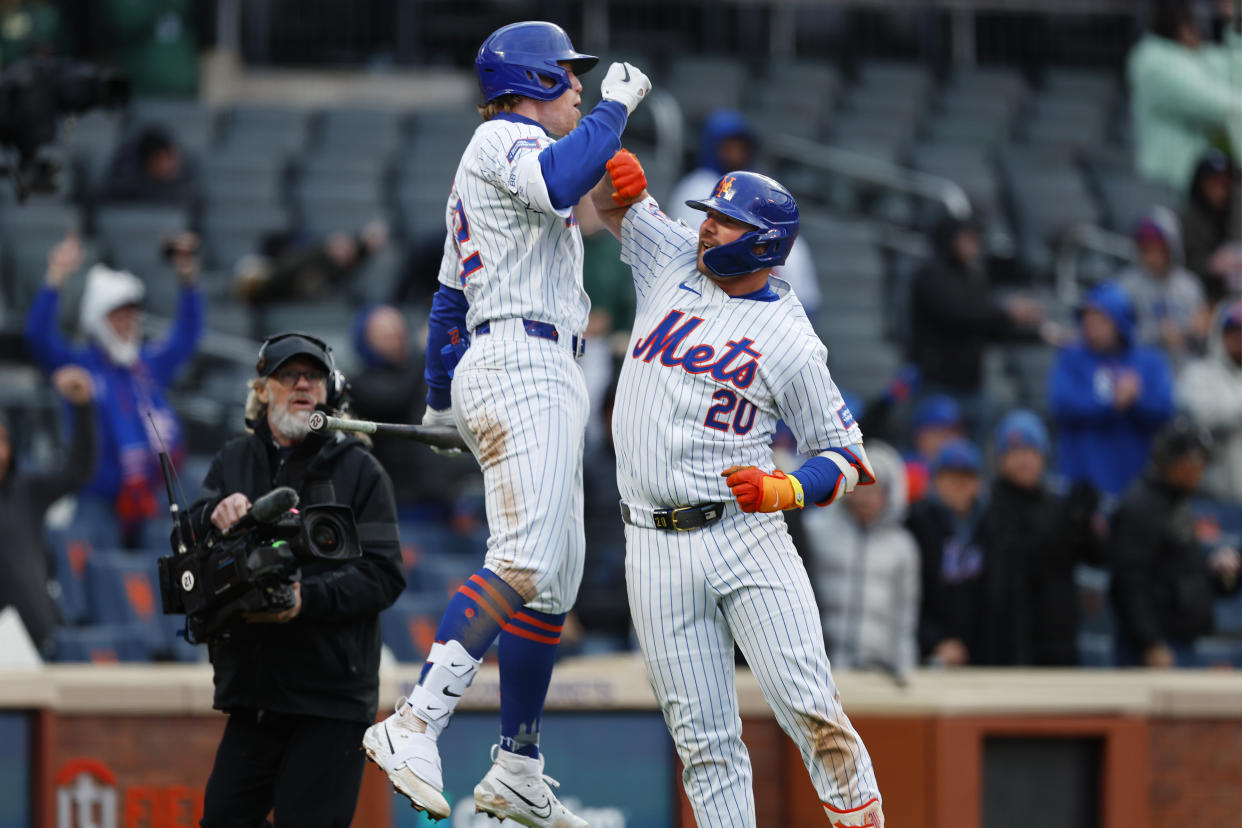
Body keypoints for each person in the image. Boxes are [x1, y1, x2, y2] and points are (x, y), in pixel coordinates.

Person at [361, 21, 651, 826]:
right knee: (524, 558)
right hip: (522, 359)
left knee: (551, 582)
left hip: (531, 361)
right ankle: (415, 722)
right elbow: (564, 182)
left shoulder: (499, 162)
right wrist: (619, 108)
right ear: (527, 82)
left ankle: (518, 761)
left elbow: (449, 296)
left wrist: (437, 391)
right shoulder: (501, 140)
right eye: (566, 76)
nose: (581, 87)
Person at [588, 156, 885, 826]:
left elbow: (847, 457)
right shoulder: (672, 258)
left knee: (812, 711)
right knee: (703, 745)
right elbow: (610, 207)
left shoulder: (791, 340)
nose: (708, 229)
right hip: (651, 540)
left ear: (765, 242)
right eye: (711, 216)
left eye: (726, 222)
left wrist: (787, 489)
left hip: (743, 536)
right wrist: (618, 182)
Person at [189, 332, 404, 827]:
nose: (303, 384)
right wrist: (214, 515)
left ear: (331, 390)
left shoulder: (361, 470)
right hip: (254, 693)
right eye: (289, 375)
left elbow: (385, 575)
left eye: (314, 376)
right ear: (263, 389)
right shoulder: (232, 461)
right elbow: (189, 533)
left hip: (328, 700)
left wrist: (306, 599)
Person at [24, 233, 203, 548]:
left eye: (132, 314)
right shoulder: (79, 363)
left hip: (150, 497)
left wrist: (187, 279)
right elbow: (37, 335)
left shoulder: (146, 365)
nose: (127, 322)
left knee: (185, 539)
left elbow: (186, 336)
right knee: (83, 551)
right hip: (99, 500)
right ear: (98, 319)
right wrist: (57, 275)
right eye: (118, 314)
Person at [968, 411, 1106, 666]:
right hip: (1007, 646)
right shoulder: (988, 510)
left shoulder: (1058, 507)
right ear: (1000, 459)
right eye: (1015, 452)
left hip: (1058, 642)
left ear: (1043, 457)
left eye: (1031, 451)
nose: (1025, 460)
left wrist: (1085, 521)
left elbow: (1097, 557)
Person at [1110, 420, 1241, 667]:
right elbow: (1128, 584)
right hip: (1155, 648)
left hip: (1179, 639)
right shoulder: (1141, 506)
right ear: (1175, 461)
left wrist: (1213, 569)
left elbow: (1175, 571)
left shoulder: (1175, 502)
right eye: (1196, 461)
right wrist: (1150, 643)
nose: (1201, 470)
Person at [667, 108, 822, 317]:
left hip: (764, 297)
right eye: (729, 146)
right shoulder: (696, 186)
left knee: (797, 249)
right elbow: (696, 245)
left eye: (742, 146)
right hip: (711, 295)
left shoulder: (755, 184)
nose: (736, 153)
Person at [908, 210, 1047, 432]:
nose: (975, 244)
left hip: (972, 385)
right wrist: (1007, 312)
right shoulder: (929, 274)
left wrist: (1037, 333)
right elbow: (956, 315)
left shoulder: (975, 277)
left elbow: (986, 326)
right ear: (950, 238)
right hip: (937, 384)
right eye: (967, 238)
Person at [1047, 280, 1175, 498]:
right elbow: (1060, 404)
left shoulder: (1149, 361)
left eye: (1100, 321)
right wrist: (1111, 404)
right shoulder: (1071, 357)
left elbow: (1165, 410)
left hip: (1134, 477)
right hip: (1081, 480)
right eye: (1087, 321)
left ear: (1120, 322)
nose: (1091, 328)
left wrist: (1136, 400)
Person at [802, 440, 919, 678]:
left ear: (890, 493)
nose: (865, 497)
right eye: (860, 487)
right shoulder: (815, 531)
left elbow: (905, 620)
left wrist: (907, 673)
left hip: (881, 676)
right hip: (823, 669)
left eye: (874, 489)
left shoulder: (903, 547)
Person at [0, 365, 95, 655]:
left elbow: (77, 470)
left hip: (39, 638)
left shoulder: (26, 490)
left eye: (1, 440)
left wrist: (83, 407)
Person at [1128, 0, 1242, 193]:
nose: (1200, 32)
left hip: (1195, 185)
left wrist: (1236, 23)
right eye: (1193, 23)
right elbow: (1227, 106)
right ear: (1180, 26)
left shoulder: (1191, 56)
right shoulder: (1153, 60)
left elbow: (1235, 71)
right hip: (1164, 187)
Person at [905, 438, 986, 666]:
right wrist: (935, 641)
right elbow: (909, 597)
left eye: (966, 477)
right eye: (951, 477)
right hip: (930, 653)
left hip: (982, 653)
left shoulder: (991, 526)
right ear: (936, 481)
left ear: (978, 482)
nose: (959, 485)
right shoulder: (916, 524)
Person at [1116, 208, 1211, 368]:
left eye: (1158, 249)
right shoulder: (1125, 285)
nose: (1152, 257)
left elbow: (1201, 333)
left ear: (1171, 248)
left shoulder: (1189, 284)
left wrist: (1198, 330)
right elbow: (1118, 335)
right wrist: (1158, 334)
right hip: (1140, 368)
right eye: (1146, 250)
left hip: (1185, 367)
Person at [1178, 300, 1242, 503]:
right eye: (1233, 332)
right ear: (1219, 334)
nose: (1239, 339)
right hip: (1214, 493)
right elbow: (1200, 415)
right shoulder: (1198, 373)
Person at [1179, 150, 1242, 305]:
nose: (1219, 191)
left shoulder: (1235, 210)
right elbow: (1177, 262)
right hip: (1198, 295)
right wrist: (1211, 264)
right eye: (1213, 183)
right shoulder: (1185, 218)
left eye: (1224, 184)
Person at [101, 124, 202, 213]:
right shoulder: (122, 186)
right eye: (161, 160)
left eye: (170, 158)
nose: (170, 165)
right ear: (148, 162)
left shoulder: (185, 184)